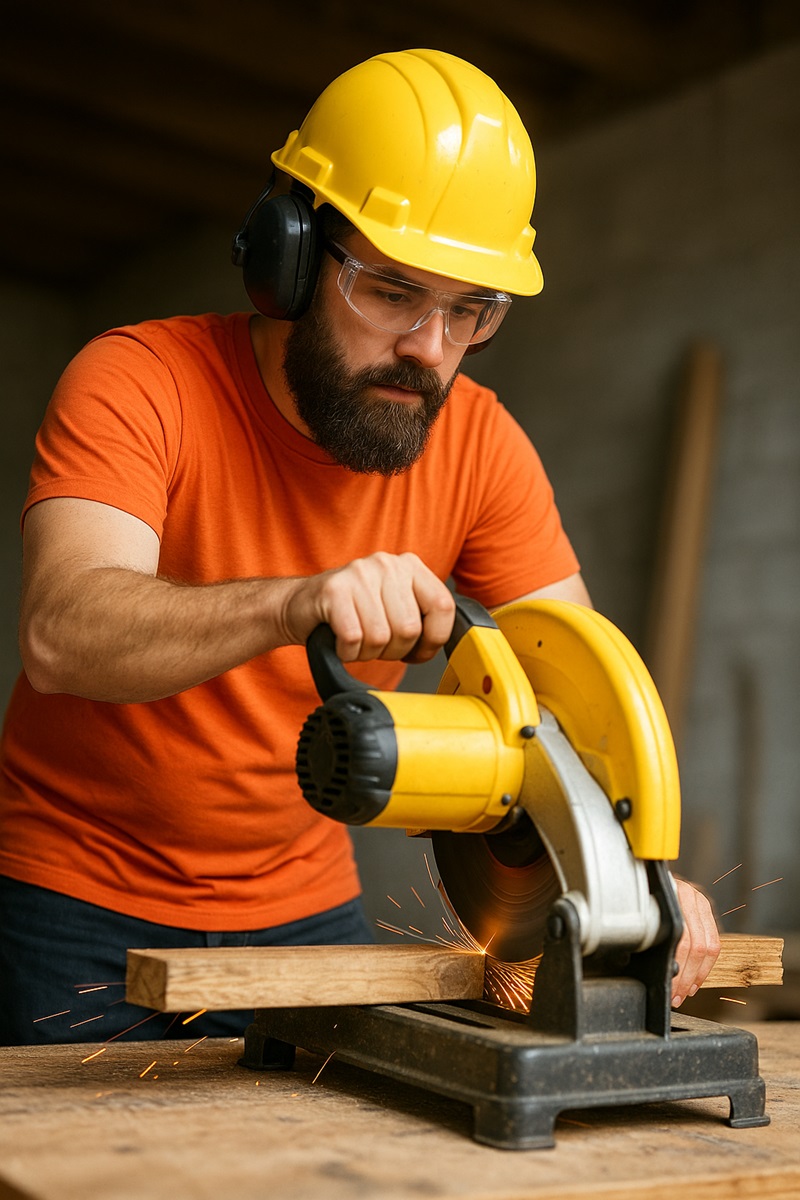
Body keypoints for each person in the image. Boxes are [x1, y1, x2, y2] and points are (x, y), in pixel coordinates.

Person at [0, 49, 719, 1046]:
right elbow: (64, 631)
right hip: (72, 896)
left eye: (469, 309)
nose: (429, 346)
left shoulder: (481, 445)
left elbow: (578, 704)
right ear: (286, 257)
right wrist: (296, 601)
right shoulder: (136, 381)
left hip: (301, 903)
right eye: (389, 291)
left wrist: (637, 870)